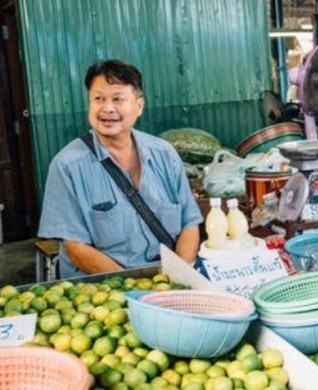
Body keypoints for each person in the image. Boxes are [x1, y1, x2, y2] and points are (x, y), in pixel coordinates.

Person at [38, 59, 203, 278]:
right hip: (107, 293)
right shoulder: (66, 166)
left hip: (169, 283)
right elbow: (76, 250)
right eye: (98, 99)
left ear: (139, 105)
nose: (107, 108)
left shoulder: (165, 154)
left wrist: (181, 279)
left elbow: (189, 223)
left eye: (118, 99)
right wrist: (136, 289)